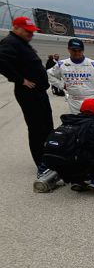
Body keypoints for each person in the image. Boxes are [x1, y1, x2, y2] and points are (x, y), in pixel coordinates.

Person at [0, 16, 54, 176]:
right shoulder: (10, 42)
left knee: (47, 126)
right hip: (28, 93)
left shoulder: (22, 43)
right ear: (16, 28)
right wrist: (20, 80)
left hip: (39, 92)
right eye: (28, 31)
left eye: (32, 32)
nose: (31, 35)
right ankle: (42, 163)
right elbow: (1, 61)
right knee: (37, 128)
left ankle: (50, 156)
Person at [43, 98, 94, 193]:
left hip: (65, 167)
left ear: (81, 109)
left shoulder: (67, 122)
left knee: (83, 153)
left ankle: (78, 181)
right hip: (85, 166)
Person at [47, 38, 94, 114]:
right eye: (74, 50)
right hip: (74, 101)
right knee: (76, 124)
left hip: (91, 100)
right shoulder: (61, 64)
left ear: (83, 50)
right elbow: (49, 74)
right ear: (69, 50)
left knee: (92, 124)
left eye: (79, 50)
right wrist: (61, 85)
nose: (77, 53)